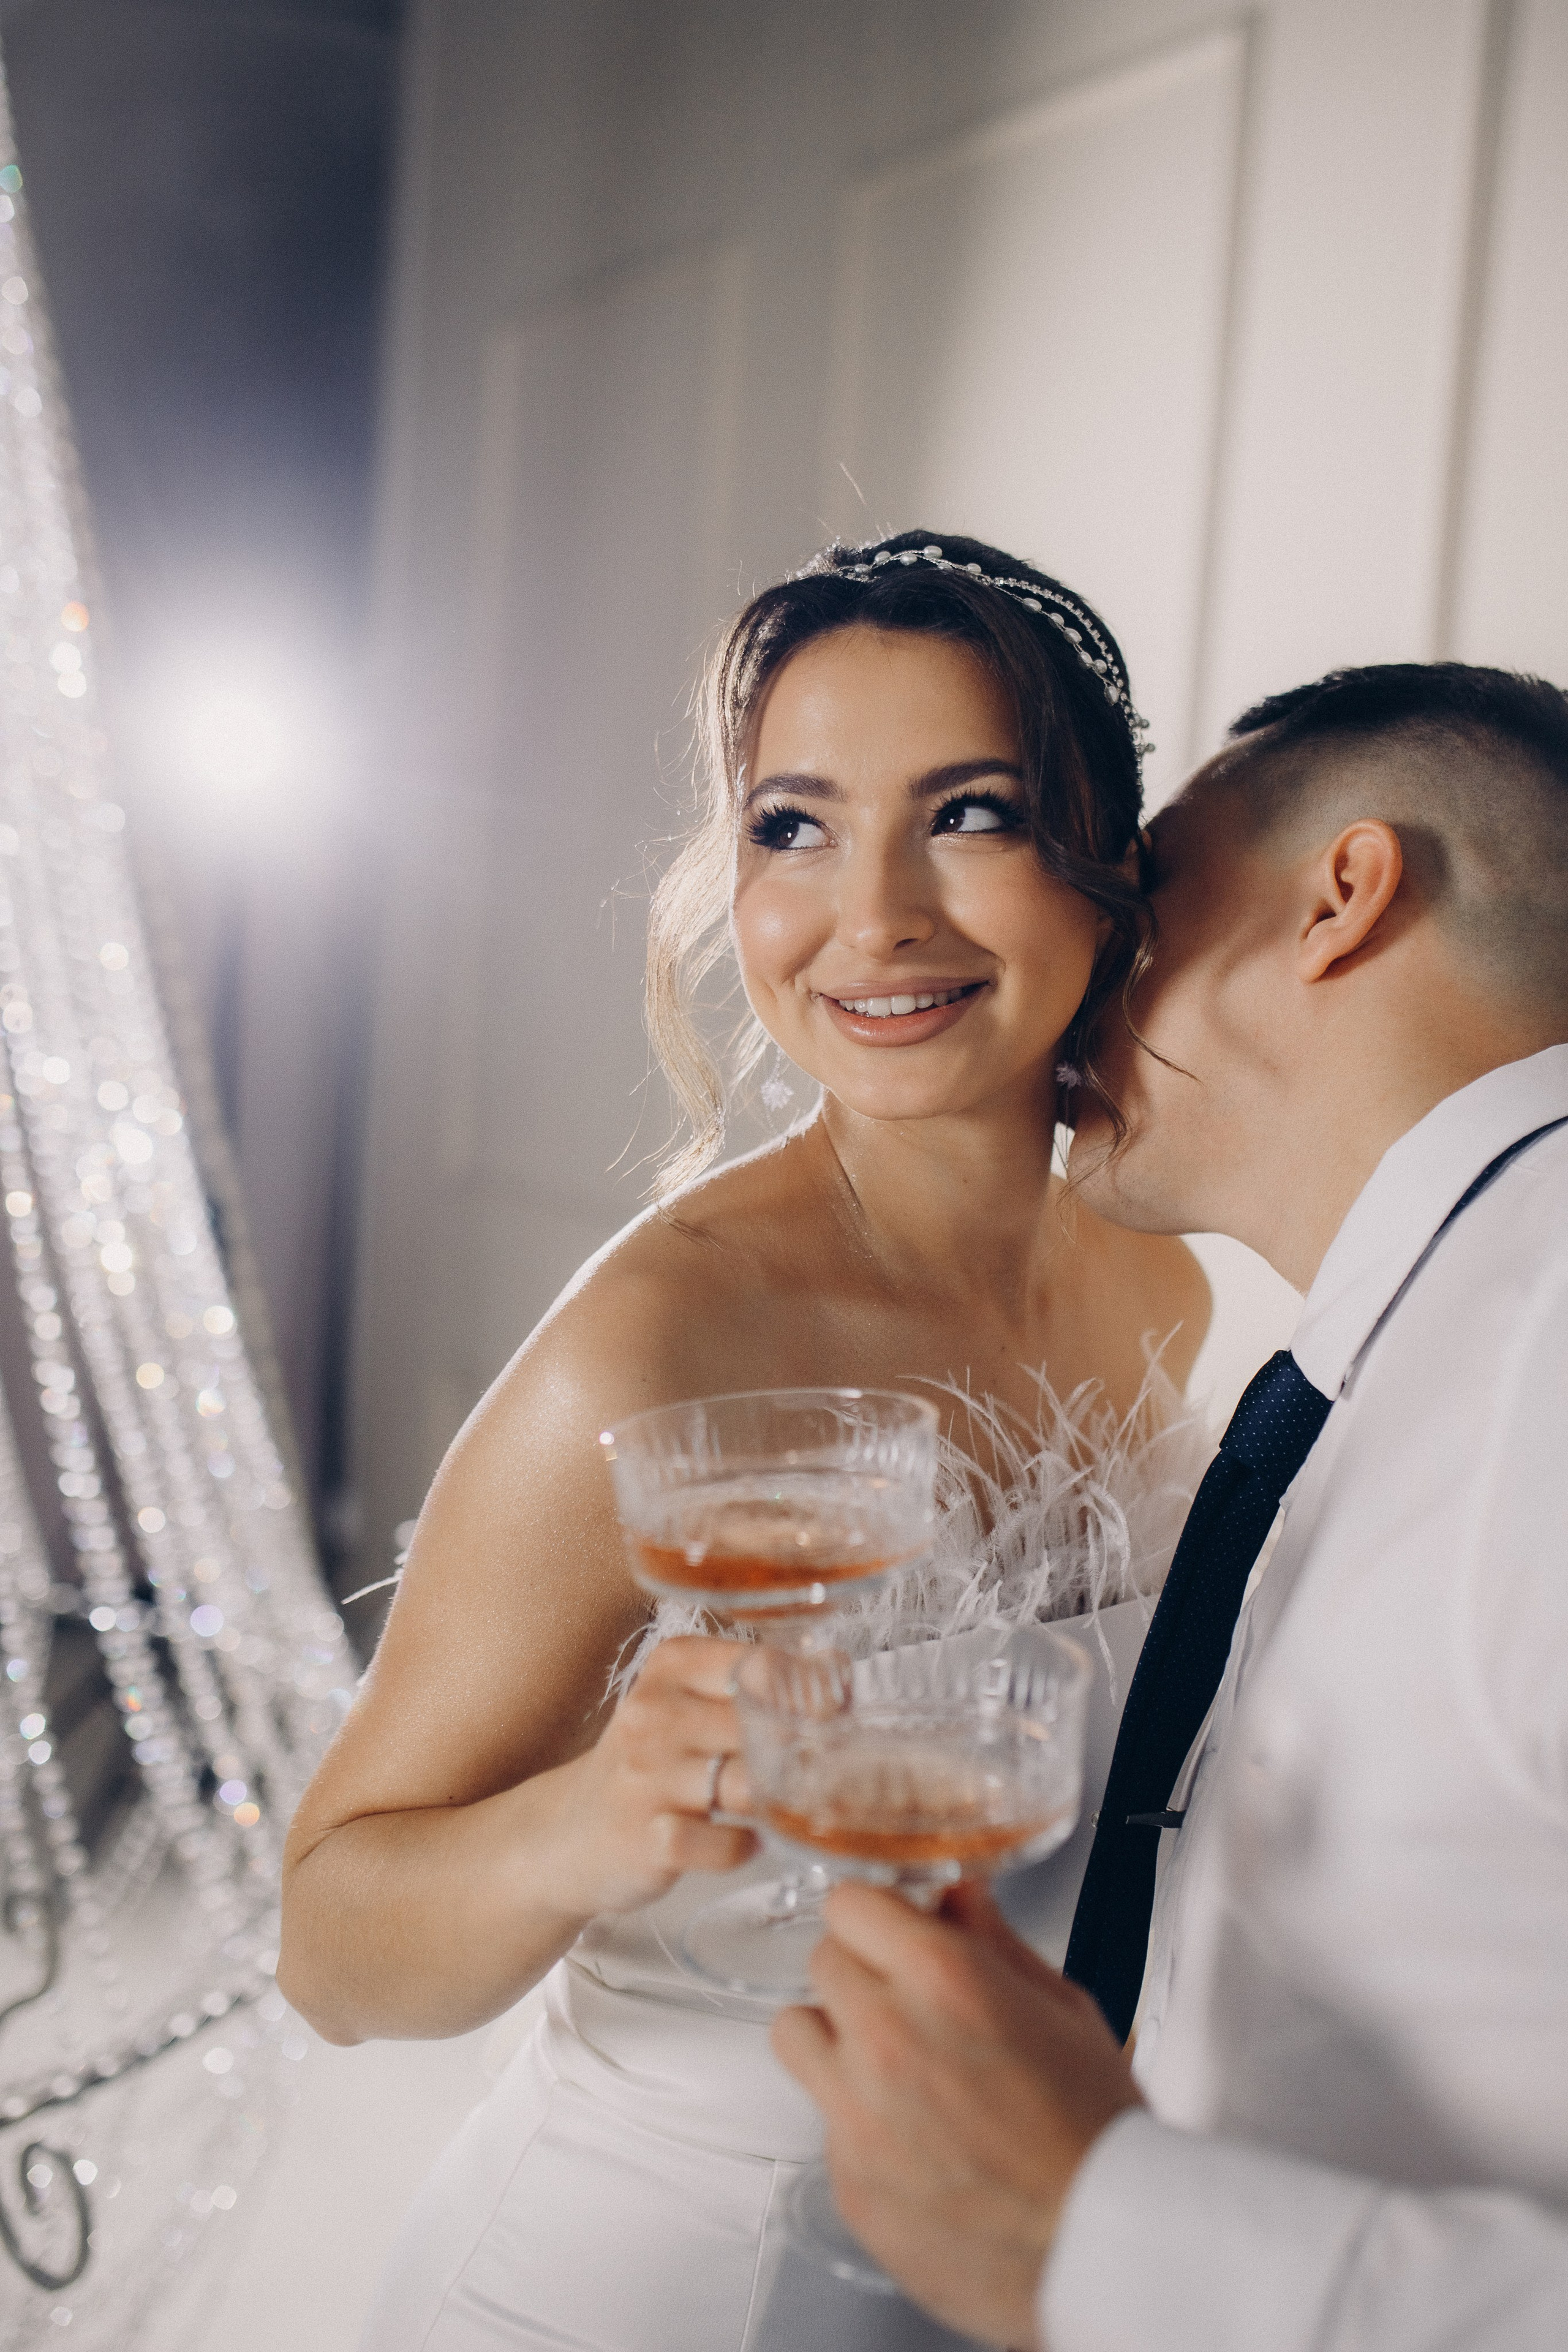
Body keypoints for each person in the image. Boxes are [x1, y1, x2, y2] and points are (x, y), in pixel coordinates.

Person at [277, 531, 1214, 2352]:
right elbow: (330, 1951)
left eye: (971, 814)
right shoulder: (651, 1347)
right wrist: (588, 1819)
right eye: (793, 826)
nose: (876, 915)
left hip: (1000, 2252)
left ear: (1105, 864)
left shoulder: (1163, 1266)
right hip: (643, 2280)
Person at [772, 660, 1568, 2350]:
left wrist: (1104, 2231)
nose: (1074, 1002)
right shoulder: (1398, 1336)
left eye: (1143, 904)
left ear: (1340, 901)